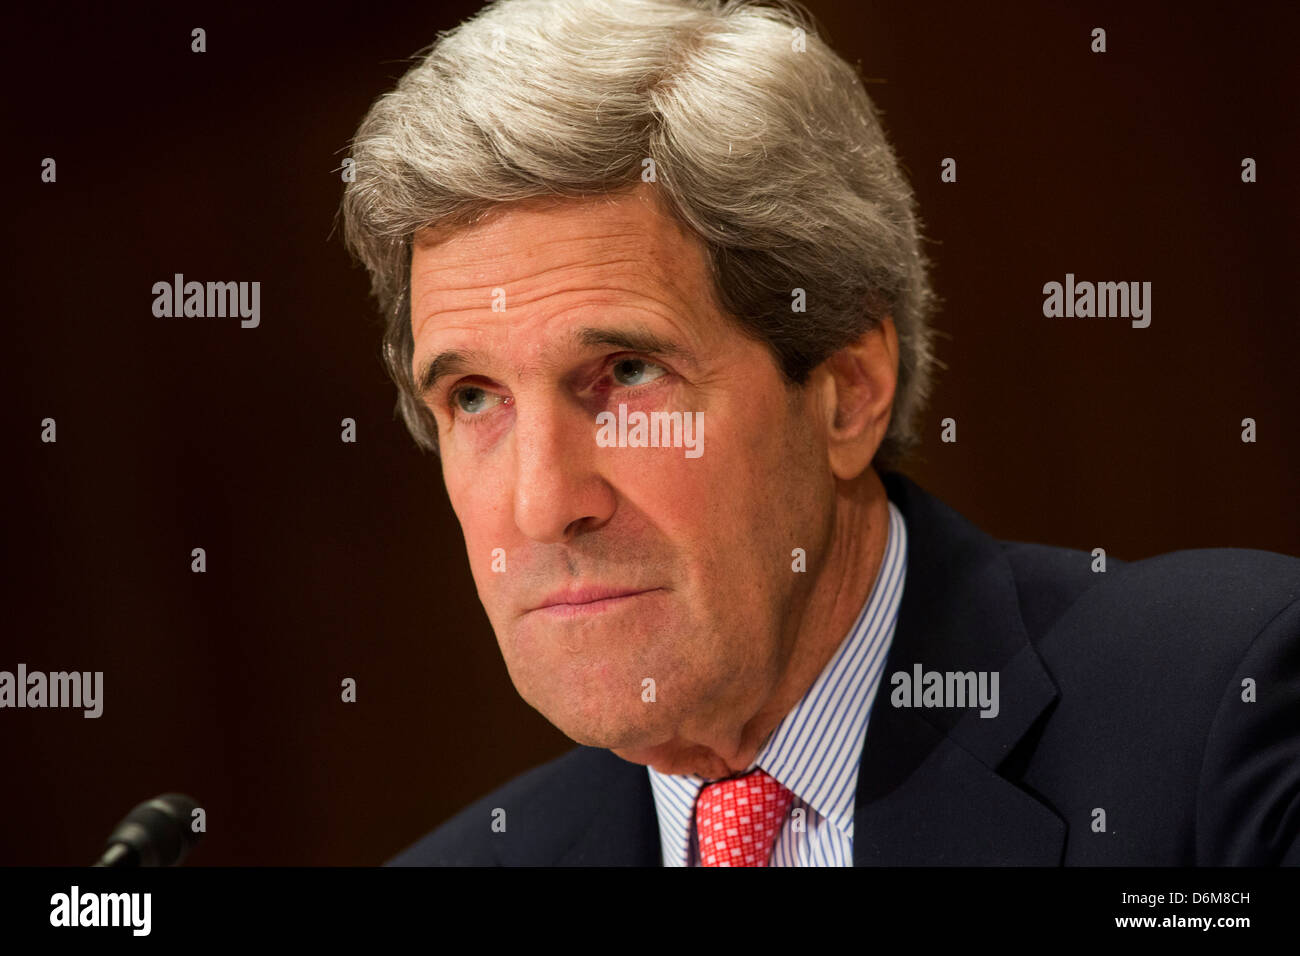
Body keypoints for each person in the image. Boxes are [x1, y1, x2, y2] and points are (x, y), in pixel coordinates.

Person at [339, 0, 1300, 866]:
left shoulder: (1222, 709)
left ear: (848, 391)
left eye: (627, 375)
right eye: (474, 398)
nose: (544, 505)